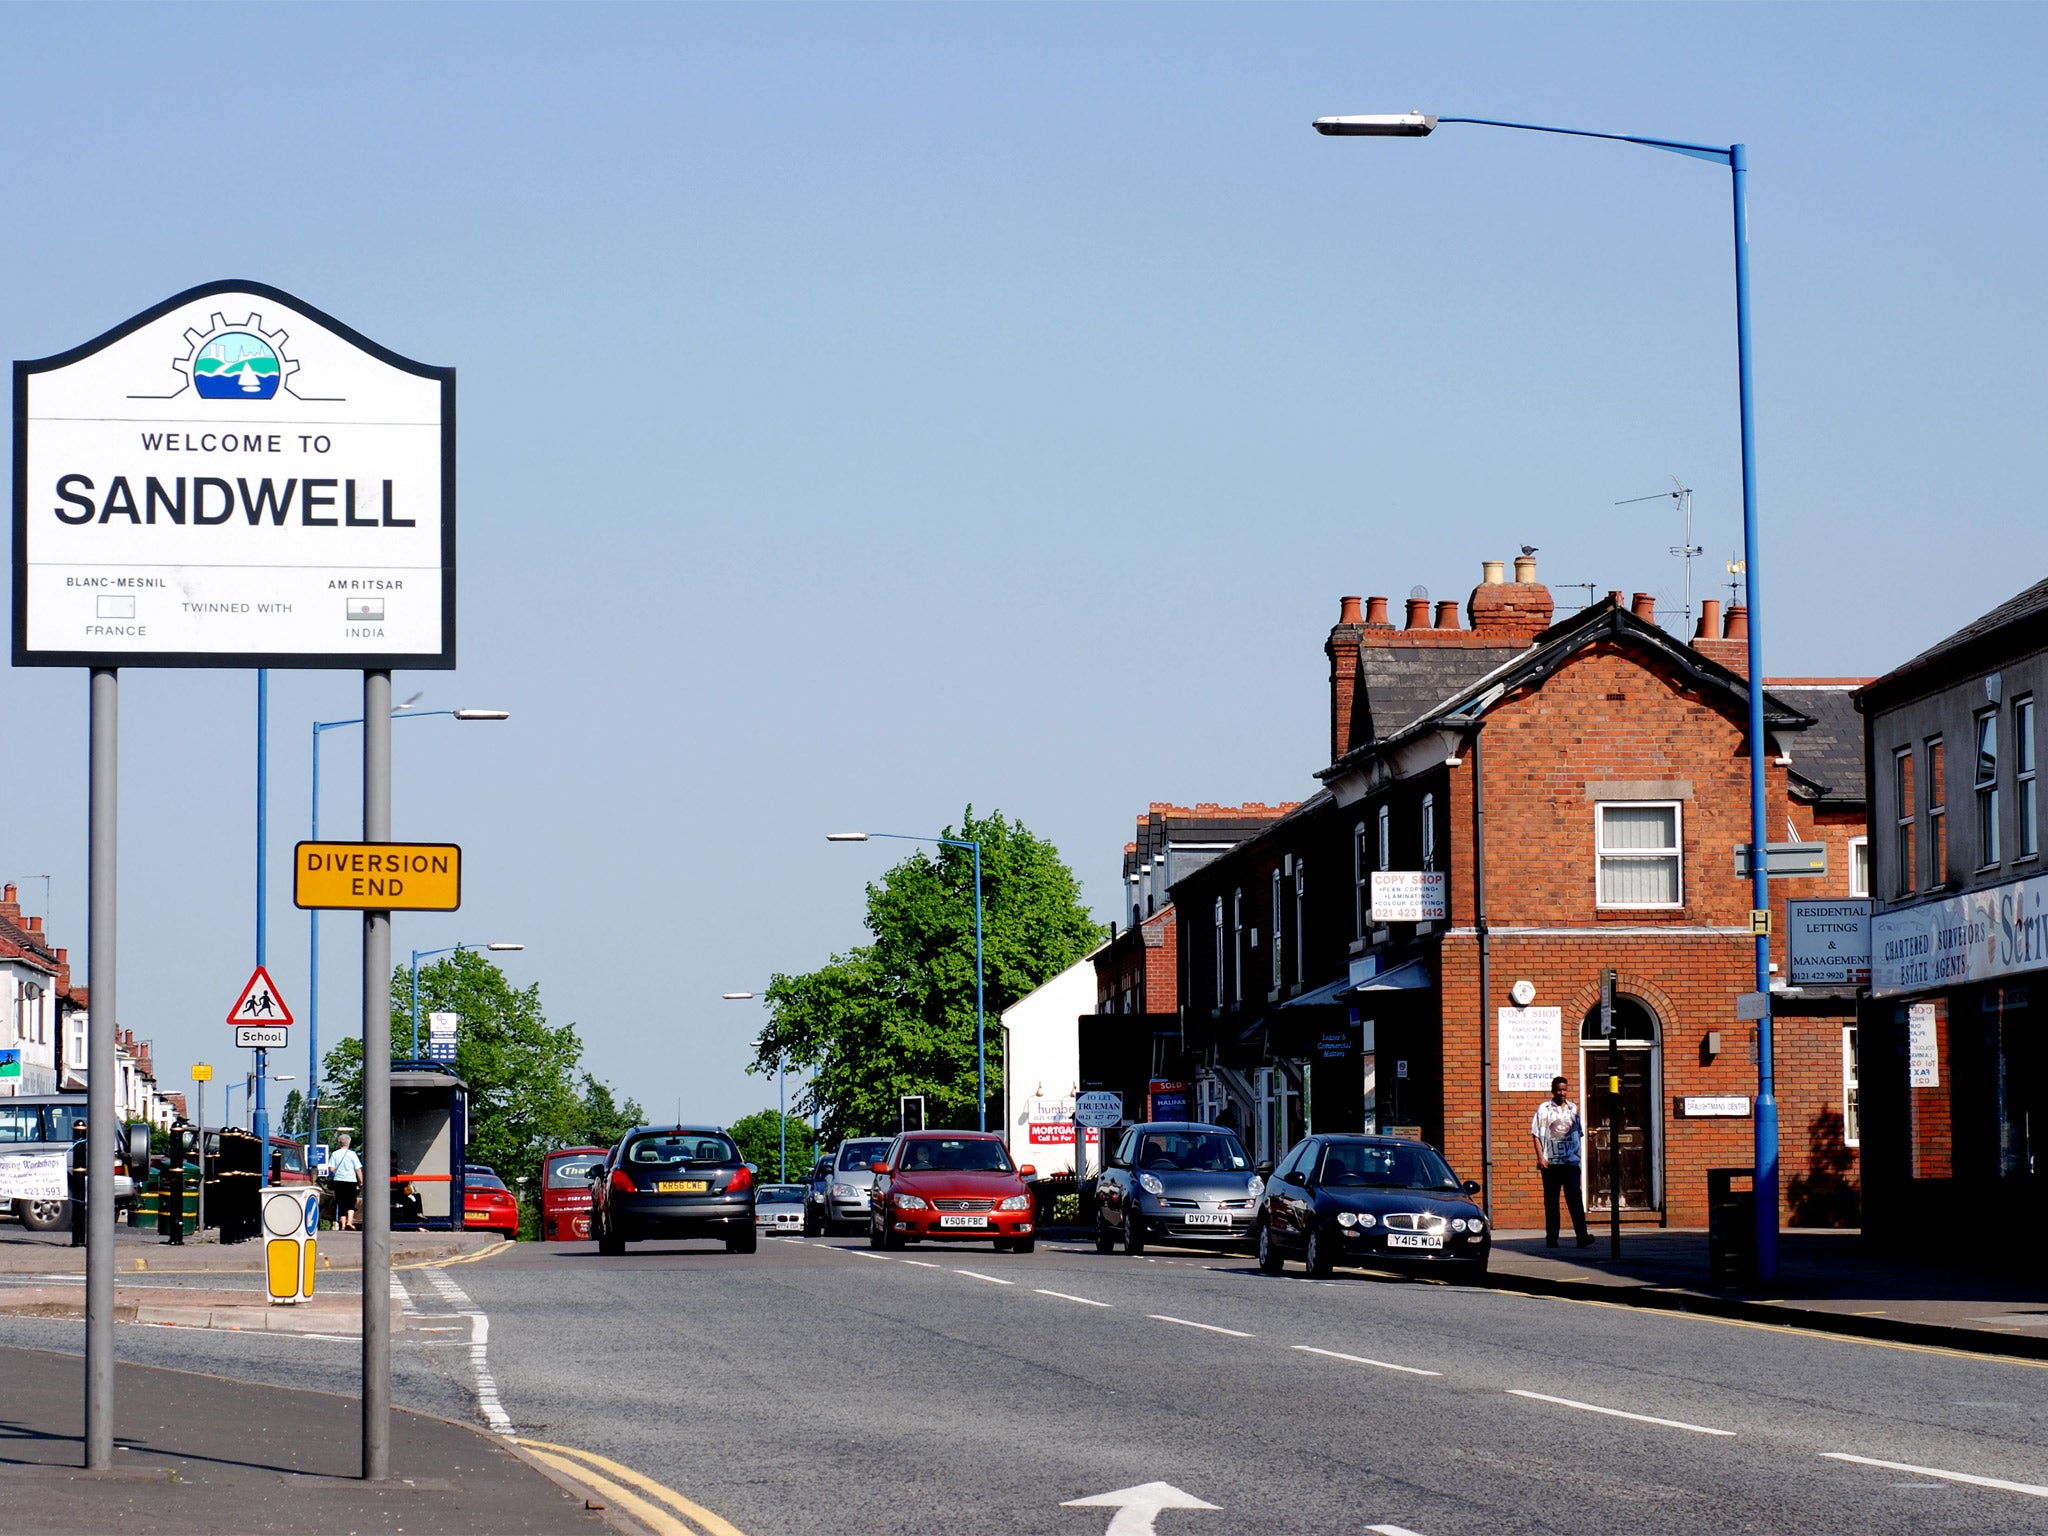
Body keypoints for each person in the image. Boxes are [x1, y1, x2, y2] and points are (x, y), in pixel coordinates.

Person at [1530, 1075, 1593, 1249]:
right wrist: (1540, 1157)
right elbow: (1536, 1134)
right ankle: (1551, 1238)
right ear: (1553, 1090)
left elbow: (1577, 1134)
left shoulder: (1573, 1108)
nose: (1562, 1093)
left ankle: (1582, 1237)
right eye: (1559, 1089)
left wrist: (1578, 1158)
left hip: (1570, 1163)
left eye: (1564, 1089)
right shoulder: (1544, 1109)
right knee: (1551, 1201)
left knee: (1574, 1198)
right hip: (1551, 1164)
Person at [329, 1132, 362, 1231]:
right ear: (349, 1143)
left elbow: (331, 1169)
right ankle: (349, 1222)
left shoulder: (335, 1154)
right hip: (351, 1181)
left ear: (339, 1143)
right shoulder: (352, 1154)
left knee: (341, 1202)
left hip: (338, 1181)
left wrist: (338, 1172)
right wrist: (361, 1181)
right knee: (351, 1202)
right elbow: (358, 1169)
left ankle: (342, 1225)